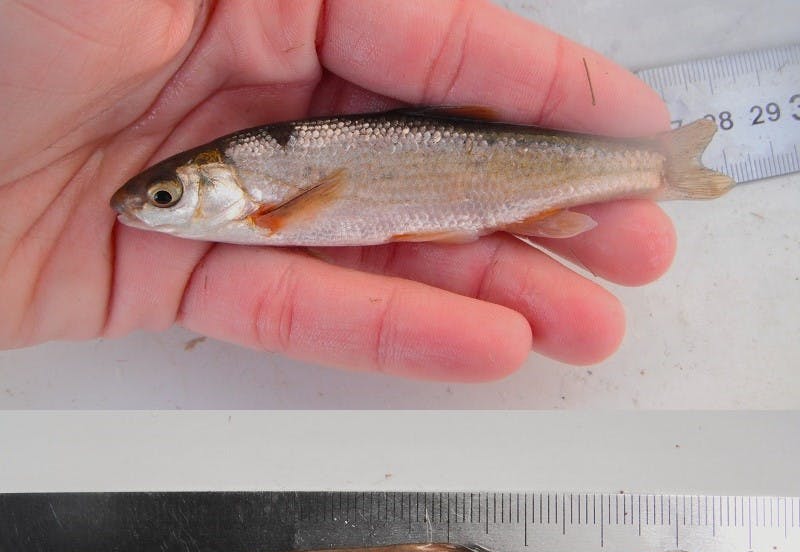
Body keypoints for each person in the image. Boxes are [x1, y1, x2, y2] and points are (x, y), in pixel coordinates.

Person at [0, 0, 675, 382]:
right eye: (163, 199)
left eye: (165, 197)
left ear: (217, 183)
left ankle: (656, 167)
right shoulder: (255, 193)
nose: (141, 209)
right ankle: (656, 168)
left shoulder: (261, 203)